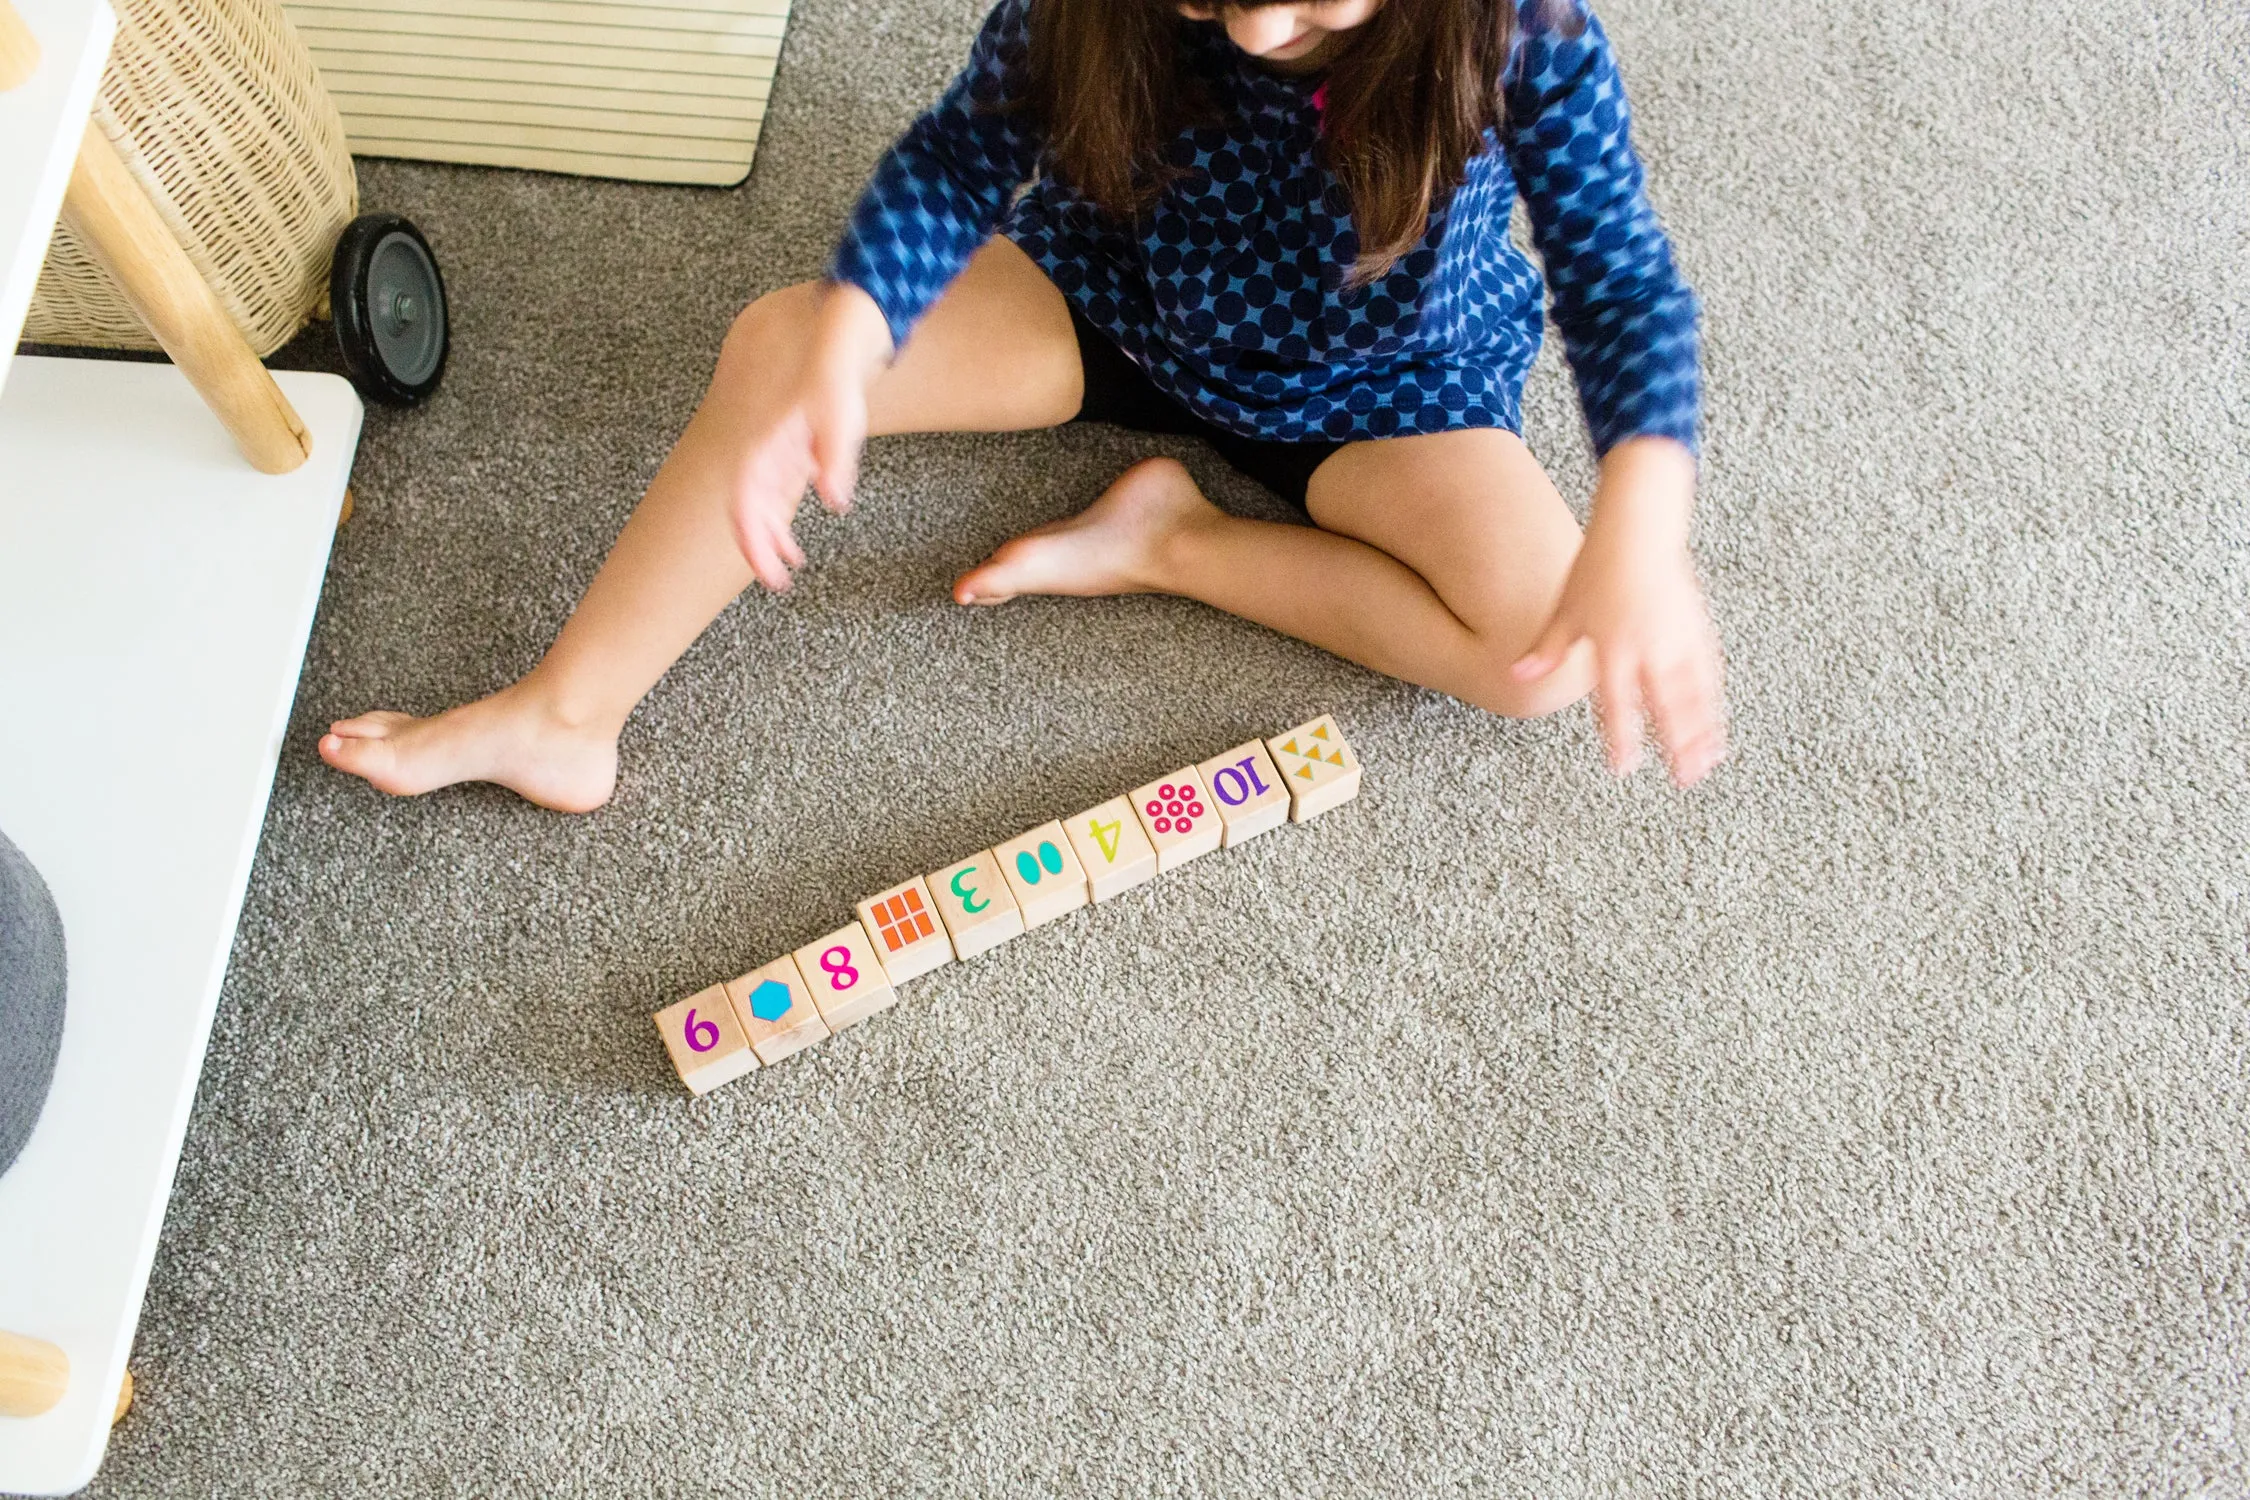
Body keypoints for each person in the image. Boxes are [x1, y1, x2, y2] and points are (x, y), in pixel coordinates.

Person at [320, 0, 1726, 812]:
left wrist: (1640, 519)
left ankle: (1175, 542)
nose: (1255, 28)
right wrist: (855, 326)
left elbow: (1624, 280)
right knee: (775, 344)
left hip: (1377, 385)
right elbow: (957, 161)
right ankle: (568, 714)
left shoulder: (1527, 32)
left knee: (1543, 654)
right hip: (1110, 294)